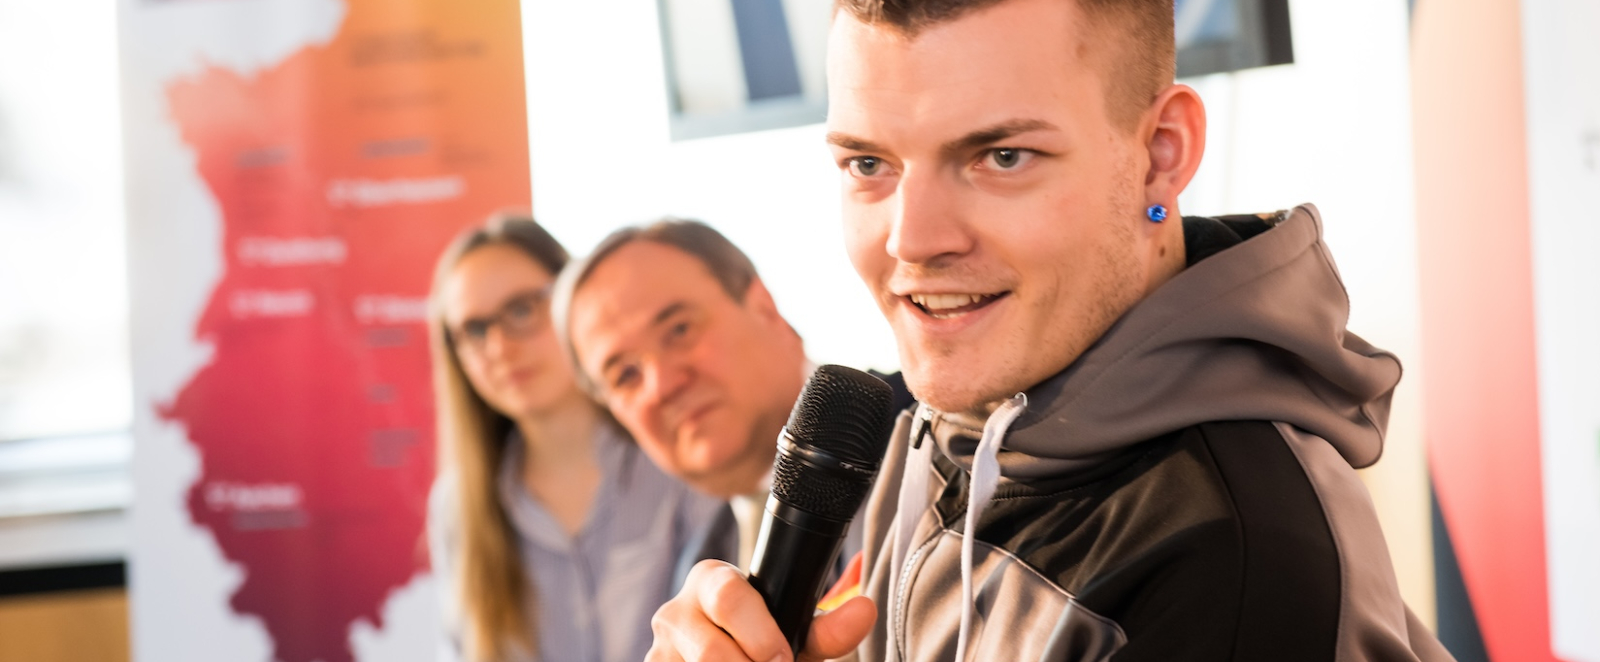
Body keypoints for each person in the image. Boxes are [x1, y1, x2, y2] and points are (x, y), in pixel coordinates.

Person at [646, 1, 1457, 661]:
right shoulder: (956, 414)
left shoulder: (1232, 561)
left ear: (1160, 156)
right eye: (869, 165)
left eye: (1000, 157)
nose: (912, 239)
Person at [425, 212, 721, 662]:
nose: (501, 347)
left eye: (522, 309)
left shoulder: (676, 453)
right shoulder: (458, 506)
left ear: (572, 302)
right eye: (475, 330)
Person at [551, 219, 913, 570]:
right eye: (626, 375)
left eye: (679, 330)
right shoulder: (701, 570)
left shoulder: (938, 445)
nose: (662, 384)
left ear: (764, 308)